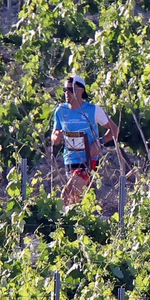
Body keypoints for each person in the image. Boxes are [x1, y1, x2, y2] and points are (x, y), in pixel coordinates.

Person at [49, 74, 117, 206]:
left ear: (81, 91)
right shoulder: (60, 111)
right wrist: (55, 137)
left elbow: (114, 129)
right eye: (65, 90)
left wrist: (100, 143)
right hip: (69, 160)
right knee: (76, 202)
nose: (67, 93)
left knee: (66, 195)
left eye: (71, 89)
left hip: (88, 160)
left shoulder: (93, 110)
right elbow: (54, 139)